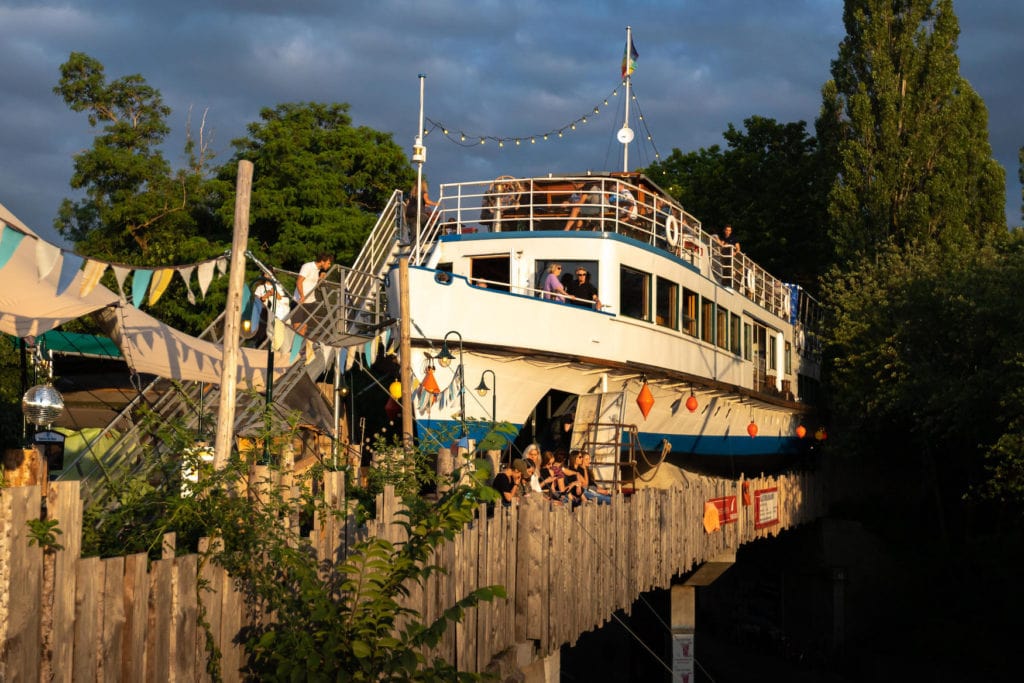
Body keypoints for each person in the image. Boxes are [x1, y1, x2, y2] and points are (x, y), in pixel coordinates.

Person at [291, 252, 332, 334]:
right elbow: (299, 282)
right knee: (297, 328)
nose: (329, 265)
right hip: (300, 301)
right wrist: (302, 296)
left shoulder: (318, 270)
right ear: (322, 261)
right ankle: (294, 346)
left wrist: (320, 279)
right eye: (328, 263)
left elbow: (311, 284)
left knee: (304, 327)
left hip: (310, 302)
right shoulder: (307, 266)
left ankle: (299, 346)